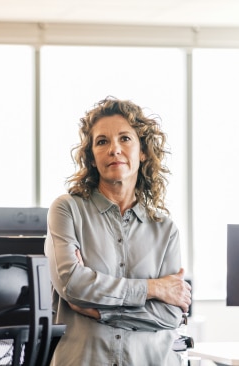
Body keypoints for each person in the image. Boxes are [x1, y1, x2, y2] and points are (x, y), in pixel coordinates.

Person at [45, 96, 192, 365]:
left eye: (125, 138)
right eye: (102, 141)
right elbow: (73, 285)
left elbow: (170, 315)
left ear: (143, 151)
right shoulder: (67, 211)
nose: (114, 149)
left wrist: (101, 312)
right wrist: (153, 288)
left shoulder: (165, 229)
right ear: (91, 156)